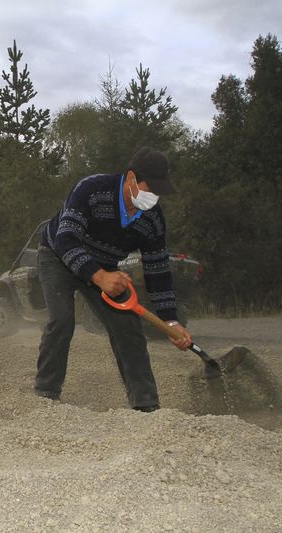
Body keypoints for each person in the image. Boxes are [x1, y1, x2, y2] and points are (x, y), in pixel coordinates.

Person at [34, 147, 193, 411]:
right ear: (131, 178)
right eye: (150, 188)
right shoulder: (92, 189)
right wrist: (98, 276)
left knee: (128, 327)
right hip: (57, 256)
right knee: (61, 319)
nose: (154, 196)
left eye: (159, 191)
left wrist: (171, 320)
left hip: (104, 266)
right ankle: (46, 394)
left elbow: (157, 269)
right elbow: (66, 238)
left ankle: (146, 405)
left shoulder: (153, 220)